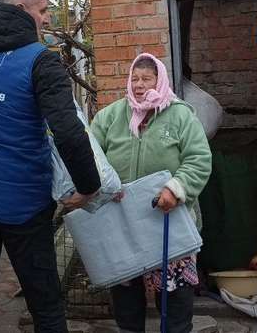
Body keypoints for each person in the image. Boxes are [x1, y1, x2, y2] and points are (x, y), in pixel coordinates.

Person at [0, 0, 101, 333]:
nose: (47, 19)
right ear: (20, 8)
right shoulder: (40, 62)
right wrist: (89, 186)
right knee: (45, 303)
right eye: (43, 10)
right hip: (22, 206)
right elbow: (69, 133)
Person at [90, 53, 212, 333]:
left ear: (160, 80)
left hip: (168, 218)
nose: (139, 85)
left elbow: (199, 158)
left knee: (174, 297)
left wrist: (176, 188)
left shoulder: (180, 114)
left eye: (146, 78)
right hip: (121, 223)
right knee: (126, 294)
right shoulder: (110, 116)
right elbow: (91, 157)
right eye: (134, 79)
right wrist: (96, 189)